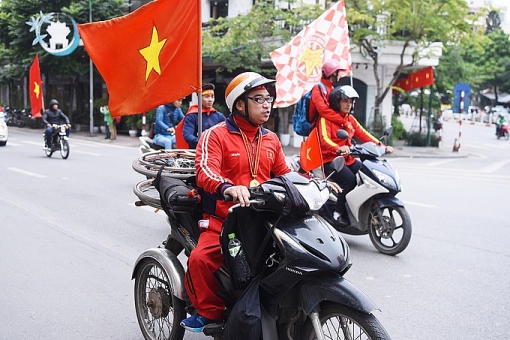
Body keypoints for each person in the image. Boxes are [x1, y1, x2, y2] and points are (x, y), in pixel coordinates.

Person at [180, 72, 291, 332]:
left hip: (263, 219)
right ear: (240, 104)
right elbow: (205, 172)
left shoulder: (271, 139)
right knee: (200, 259)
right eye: (259, 99)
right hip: (225, 221)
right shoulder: (215, 136)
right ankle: (208, 312)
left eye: (269, 99)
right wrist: (228, 188)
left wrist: (313, 184)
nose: (267, 105)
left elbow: (285, 174)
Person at [318, 85, 393, 227]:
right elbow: (324, 139)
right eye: (345, 100)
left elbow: (363, 134)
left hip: (347, 158)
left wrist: (382, 146)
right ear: (336, 101)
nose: (349, 104)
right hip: (330, 160)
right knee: (350, 181)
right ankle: (338, 212)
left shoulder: (349, 119)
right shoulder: (325, 119)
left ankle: (357, 208)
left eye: (351, 101)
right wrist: (338, 148)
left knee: (367, 173)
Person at [308, 59, 349, 130]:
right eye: (338, 72)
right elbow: (323, 111)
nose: (340, 74)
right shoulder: (318, 87)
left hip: (330, 126)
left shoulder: (331, 88)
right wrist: (343, 121)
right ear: (333, 73)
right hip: (319, 129)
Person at [182, 83, 225, 149]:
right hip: (197, 151)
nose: (210, 100)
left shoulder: (219, 116)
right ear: (199, 98)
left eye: (212, 96)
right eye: (207, 96)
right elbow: (187, 135)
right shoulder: (192, 116)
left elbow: (226, 133)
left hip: (216, 150)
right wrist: (202, 142)